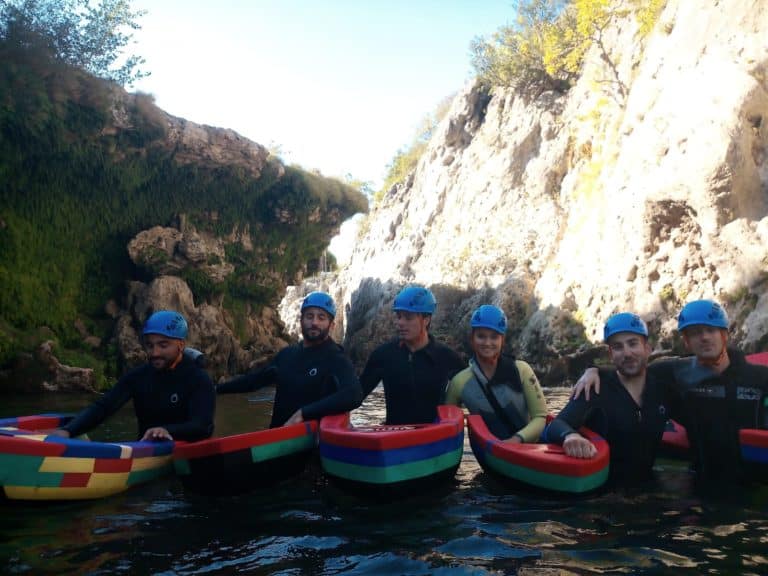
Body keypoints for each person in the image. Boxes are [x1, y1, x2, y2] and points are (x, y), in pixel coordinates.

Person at [573, 300, 768, 483]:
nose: (705, 337)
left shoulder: (759, 376)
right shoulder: (675, 372)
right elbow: (632, 370)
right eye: (695, 333)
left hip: (758, 484)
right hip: (704, 486)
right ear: (686, 341)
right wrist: (594, 371)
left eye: (711, 330)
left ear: (725, 334)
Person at [544, 312, 669, 487]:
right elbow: (555, 426)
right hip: (602, 497)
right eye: (618, 347)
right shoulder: (594, 388)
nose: (627, 353)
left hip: (649, 487)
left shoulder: (662, 389)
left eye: (633, 344)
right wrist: (570, 436)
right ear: (611, 354)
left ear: (647, 348)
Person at [52, 311, 215, 442]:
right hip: (145, 454)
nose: (154, 353)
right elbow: (104, 407)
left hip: (183, 457)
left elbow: (202, 426)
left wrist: (166, 430)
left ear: (181, 345)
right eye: (150, 345)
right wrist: (68, 431)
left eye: (163, 345)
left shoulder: (198, 379)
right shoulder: (139, 376)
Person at [216, 291, 363, 427]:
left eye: (321, 317)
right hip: (278, 442)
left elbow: (354, 395)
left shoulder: (336, 358)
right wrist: (217, 389)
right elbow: (254, 381)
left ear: (332, 325)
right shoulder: (287, 355)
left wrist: (303, 413)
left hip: (313, 446)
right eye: (309, 316)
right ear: (301, 321)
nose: (314, 322)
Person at [358, 285, 465, 424]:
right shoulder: (383, 356)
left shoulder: (447, 357)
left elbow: (473, 394)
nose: (400, 323)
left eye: (408, 318)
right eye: (399, 316)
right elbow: (355, 396)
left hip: (435, 439)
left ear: (426, 319)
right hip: (396, 438)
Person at [445, 305, 547, 442]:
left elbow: (540, 417)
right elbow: (448, 426)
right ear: (472, 339)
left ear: (502, 340)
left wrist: (516, 440)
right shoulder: (458, 382)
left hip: (531, 448)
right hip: (492, 453)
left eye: (494, 337)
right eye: (481, 336)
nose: (487, 343)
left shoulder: (522, 370)